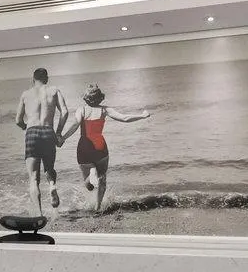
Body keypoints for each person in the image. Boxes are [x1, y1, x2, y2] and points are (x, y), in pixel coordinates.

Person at [58, 83, 150, 212]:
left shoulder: (81, 110)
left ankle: (91, 174)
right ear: (100, 98)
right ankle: (98, 207)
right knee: (102, 179)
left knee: (88, 185)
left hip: (84, 146)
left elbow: (75, 125)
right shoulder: (104, 110)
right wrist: (142, 115)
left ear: (86, 98)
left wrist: (63, 138)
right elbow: (124, 118)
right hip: (100, 146)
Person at [15, 68, 68, 216]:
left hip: (32, 133)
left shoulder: (25, 94)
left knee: (33, 178)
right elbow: (65, 112)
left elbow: (18, 120)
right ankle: (52, 186)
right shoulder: (54, 91)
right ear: (47, 79)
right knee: (49, 169)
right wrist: (58, 133)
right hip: (48, 132)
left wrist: (26, 127)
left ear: (33, 79)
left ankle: (39, 215)